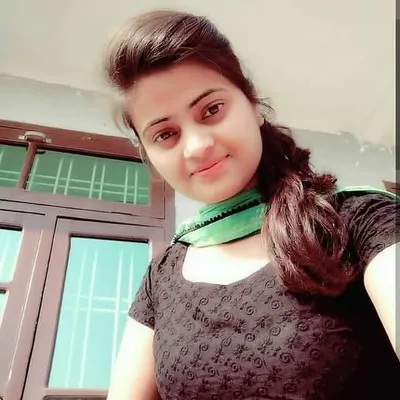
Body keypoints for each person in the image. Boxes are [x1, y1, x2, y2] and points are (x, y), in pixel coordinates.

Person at [103, 10, 399, 400]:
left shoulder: (358, 221)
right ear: (150, 155)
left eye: (211, 110)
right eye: (165, 134)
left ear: (253, 104)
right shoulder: (162, 276)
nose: (197, 146)